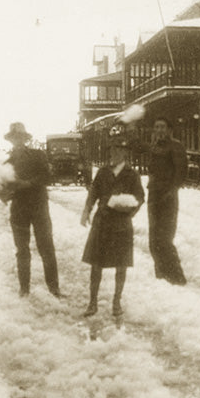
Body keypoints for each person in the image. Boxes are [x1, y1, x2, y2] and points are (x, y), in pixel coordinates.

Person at [80, 137, 145, 320]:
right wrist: (87, 210)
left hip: (121, 223)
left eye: (119, 150)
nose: (115, 154)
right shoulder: (103, 172)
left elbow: (140, 197)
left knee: (121, 264)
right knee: (96, 264)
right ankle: (92, 302)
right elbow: (93, 192)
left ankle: (116, 302)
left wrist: (129, 209)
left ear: (125, 153)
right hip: (102, 222)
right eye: (113, 150)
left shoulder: (132, 174)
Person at [1, 122, 62, 298]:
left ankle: (53, 287)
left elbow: (48, 176)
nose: (17, 141)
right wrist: (4, 193)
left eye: (20, 137)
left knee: (46, 247)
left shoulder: (38, 155)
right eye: (14, 138)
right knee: (22, 250)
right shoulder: (7, 163)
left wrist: (27, 184)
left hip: (39, 207)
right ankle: (24, 289)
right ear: (10, 140)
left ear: (25, 139)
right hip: (19, 210)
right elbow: (4, 190)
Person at [139, 116, 188, 285]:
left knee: (165, 239)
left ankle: (176, 277)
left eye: (162, 127)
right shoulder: (154, 147)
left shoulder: (176, 146)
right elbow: (138, 146)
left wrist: (172, 191)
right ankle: (161, 275)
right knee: (154, 239)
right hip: (154, 196)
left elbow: (181, 172)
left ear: (169, 130)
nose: (159, 130)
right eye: (156, 127)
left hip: (168, 196)